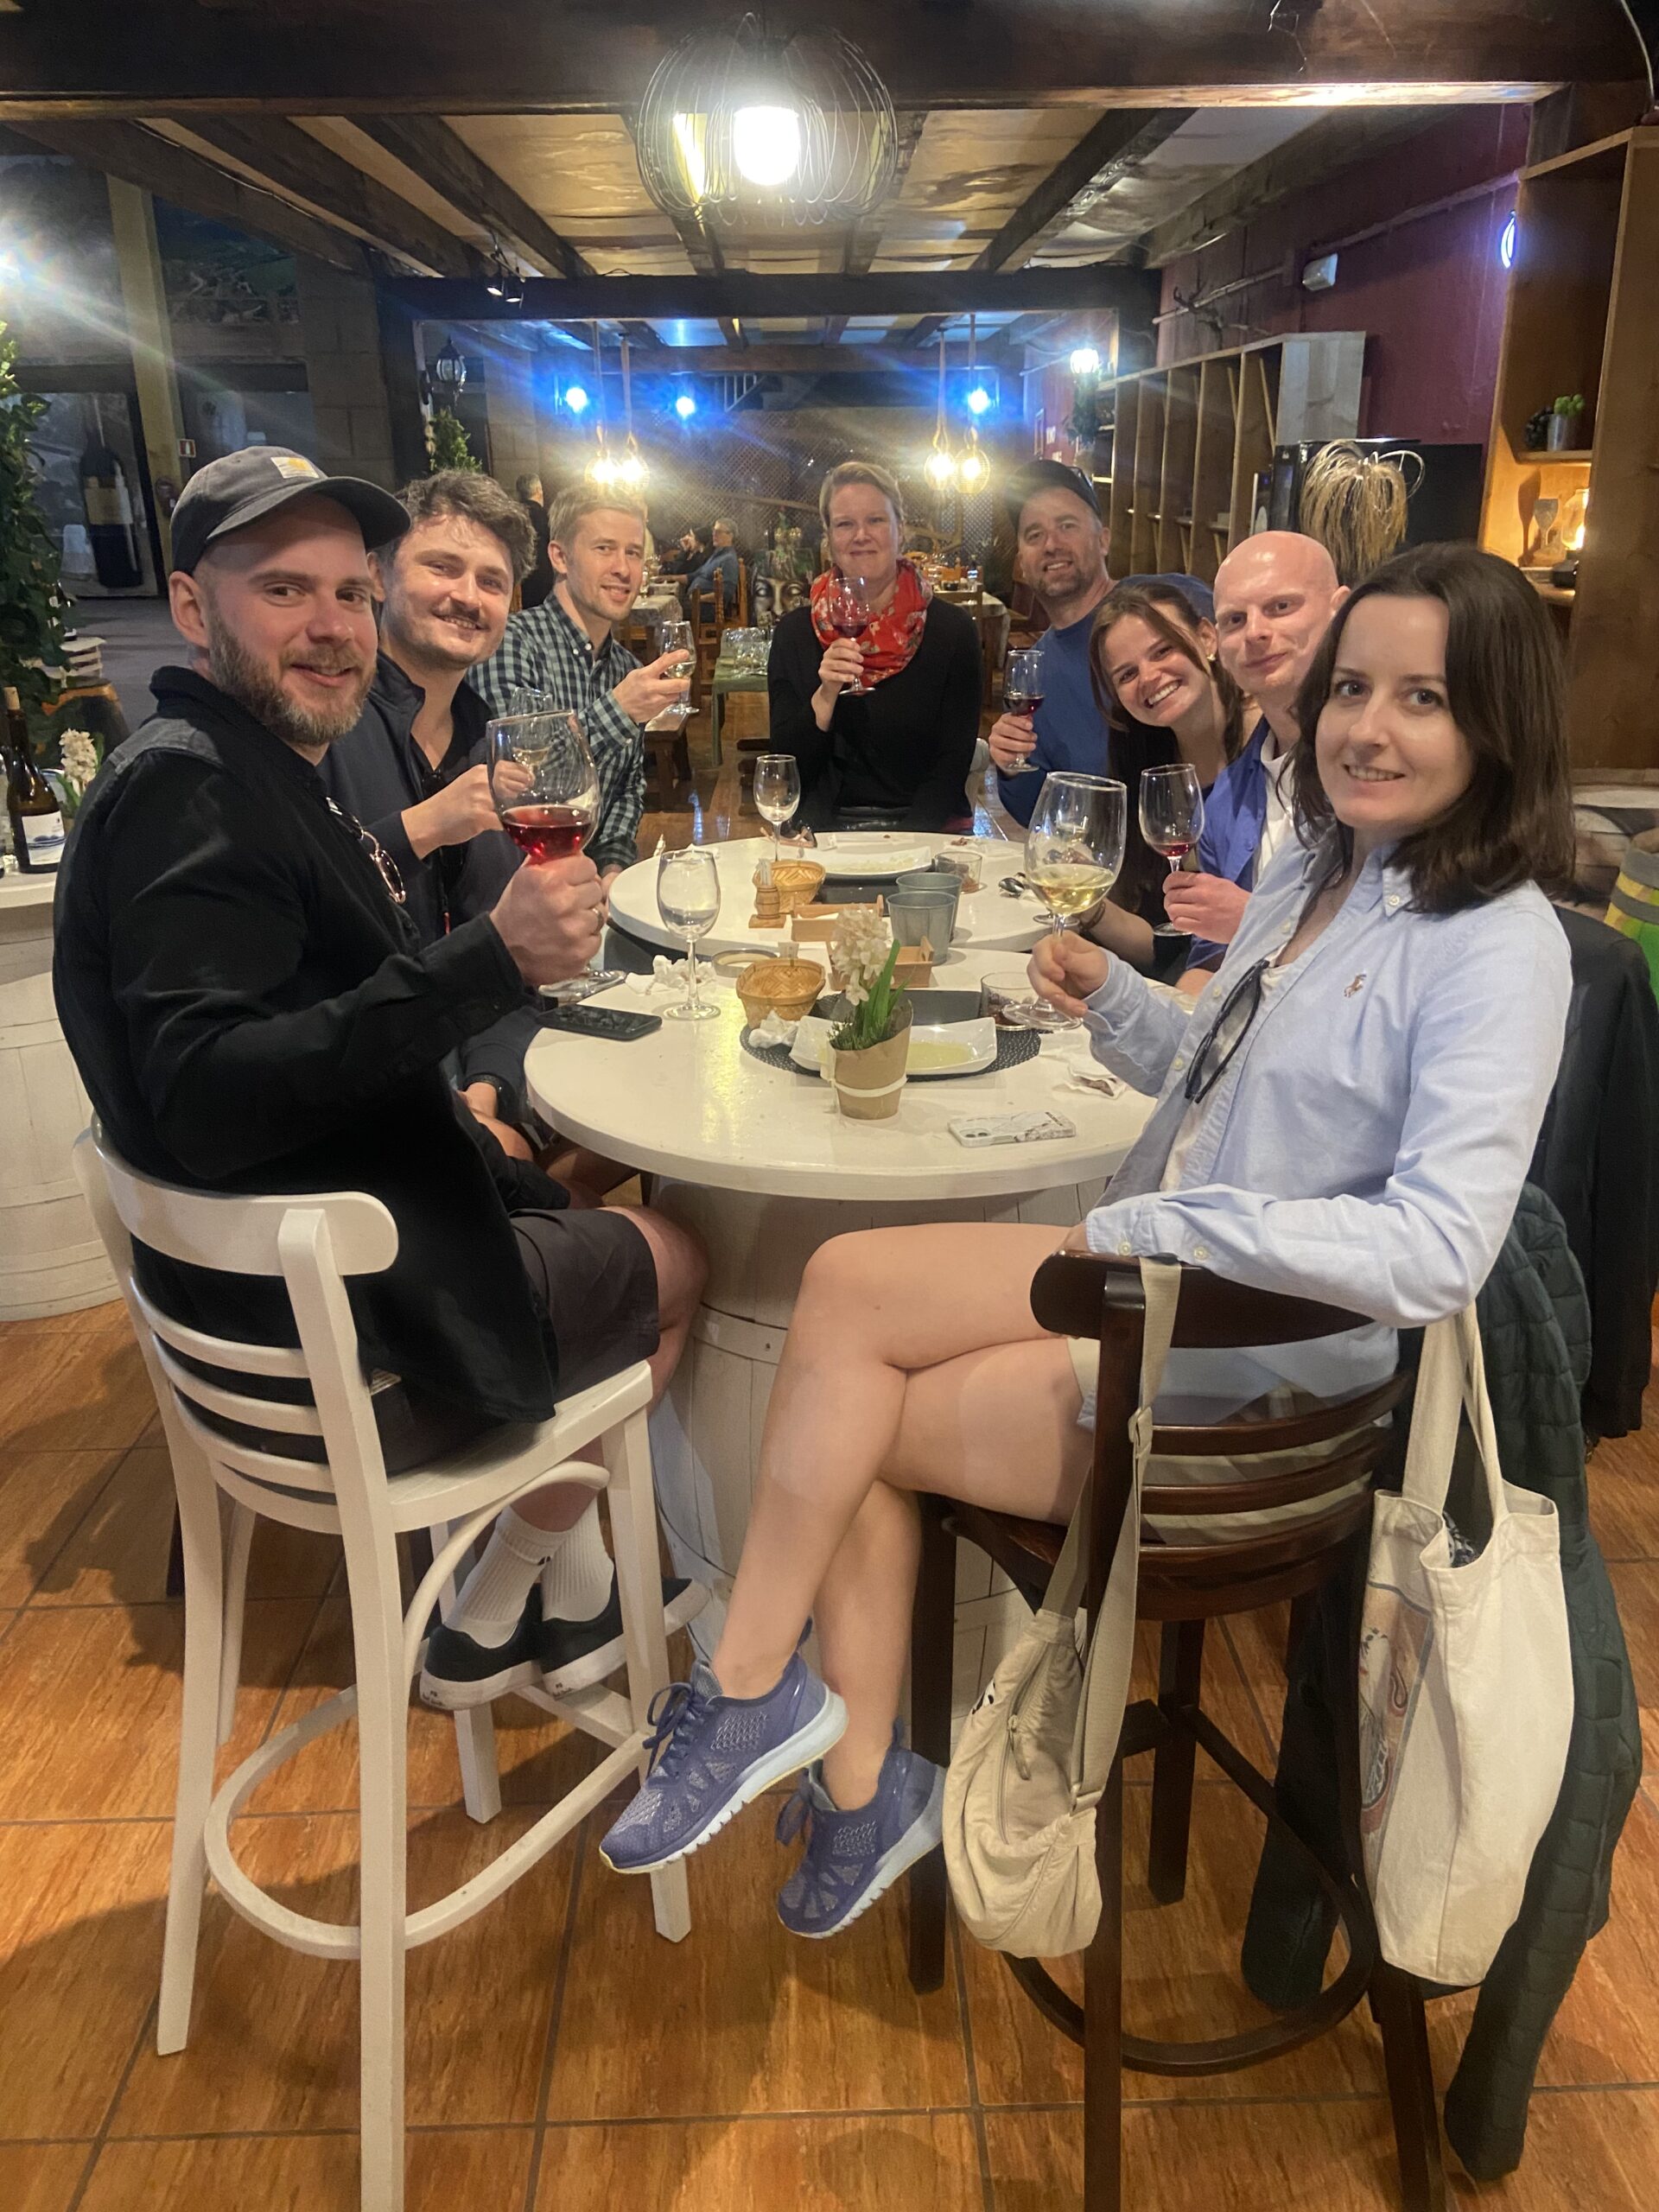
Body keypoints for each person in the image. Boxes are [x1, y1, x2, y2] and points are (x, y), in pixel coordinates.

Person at [593, 542, 1574, 1937]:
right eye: (1356, 686)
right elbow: (1227, 1076)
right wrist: (1116, 998)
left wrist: (1159, 1221)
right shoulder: (1317, 877)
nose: (1367, 725)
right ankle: (800, 1723)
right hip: (1154, 1294)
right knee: (841, 1298)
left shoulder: (1498, 944)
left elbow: (1437, 1249)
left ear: (1499, 719)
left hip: (1255, 1398)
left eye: (1424, 697)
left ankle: (793, 1719)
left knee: (850, 1400)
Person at [51, 445, 708, 1713]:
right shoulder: (192, 793)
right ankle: (497, 1587)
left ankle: (561, 1602)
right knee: (683, 1253)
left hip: (326, 1278)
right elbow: (209, 1093)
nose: (334, 627)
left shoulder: (243, 768)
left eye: (351, 594)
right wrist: (491, 964)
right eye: (285, 591)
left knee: (564, 1200)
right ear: (193, 607)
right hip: (347, 1348)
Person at [318, 468, 550, 1167]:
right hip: (356, 1109)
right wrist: (425, 826)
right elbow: (303, 924)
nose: (467, 597)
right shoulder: (323, 727)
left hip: (464, 1088)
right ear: (380, 576)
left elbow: (507, 955)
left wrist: (490, 1090)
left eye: (491, 581)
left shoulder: (487, 740)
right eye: (442, 567)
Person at [472, 490, 690, 880]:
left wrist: (613, 868)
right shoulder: (512, 643)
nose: (623, 569)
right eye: (604, 548)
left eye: (634, 552)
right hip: (514, 897)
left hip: (590, 893)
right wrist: (619, 710)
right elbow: (520, 787)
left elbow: (627, 791)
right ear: (560, 557)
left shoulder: (626, 667)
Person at [988, 458, 1213, 827]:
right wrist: (1010, 765)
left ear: (1103, 539)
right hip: (1124, 869)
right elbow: (1042, 816)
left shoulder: (1173, 601)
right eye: (1034, 535)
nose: (1051, 545)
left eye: (1066, 525)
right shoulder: (1034, 675)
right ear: (1022, 563)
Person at [1166, 531, 1350, 967]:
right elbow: (1211, 965)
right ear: (1219, 648)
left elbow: (1402, 959)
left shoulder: (1381, 774)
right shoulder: (1228, 799)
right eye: (1234, 620)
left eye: (1280, 607)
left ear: (1340, 612)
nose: (1256, 633)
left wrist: (1254, 920)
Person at [766, 461, 981, 832]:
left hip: (926, 833)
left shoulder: (953, 632)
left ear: (901, 531)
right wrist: (826, 695)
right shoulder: (794, 634)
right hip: (822, 835)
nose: (861, 535)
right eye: (845, 523)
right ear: (829, 538)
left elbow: (952, 763)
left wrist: (906, 851)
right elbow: (789, 767)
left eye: (876, 521)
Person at [1080, 579, 1246, 975]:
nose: (1149, 677)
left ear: (1208, 638)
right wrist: (1090, 905)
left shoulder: (1270, 752)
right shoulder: (1143, 763)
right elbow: (1164, 947)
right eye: (1126, 674)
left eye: (1163, 651)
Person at [514, 472, 555, 610]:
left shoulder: (514, 517)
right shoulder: (546, 518)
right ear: (538, 491)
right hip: (545, 581)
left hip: (520, 582)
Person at [686, 517, 741, 612]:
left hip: (707, 609)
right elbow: (694, 575)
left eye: (718, 532)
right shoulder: (717, 554)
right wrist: (669, 578)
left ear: (730, 536)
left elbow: (725, 594)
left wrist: (699, 598)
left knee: (668, 613)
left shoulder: (729, 560)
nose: (714, 534)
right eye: (714, 530)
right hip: (697, 603)